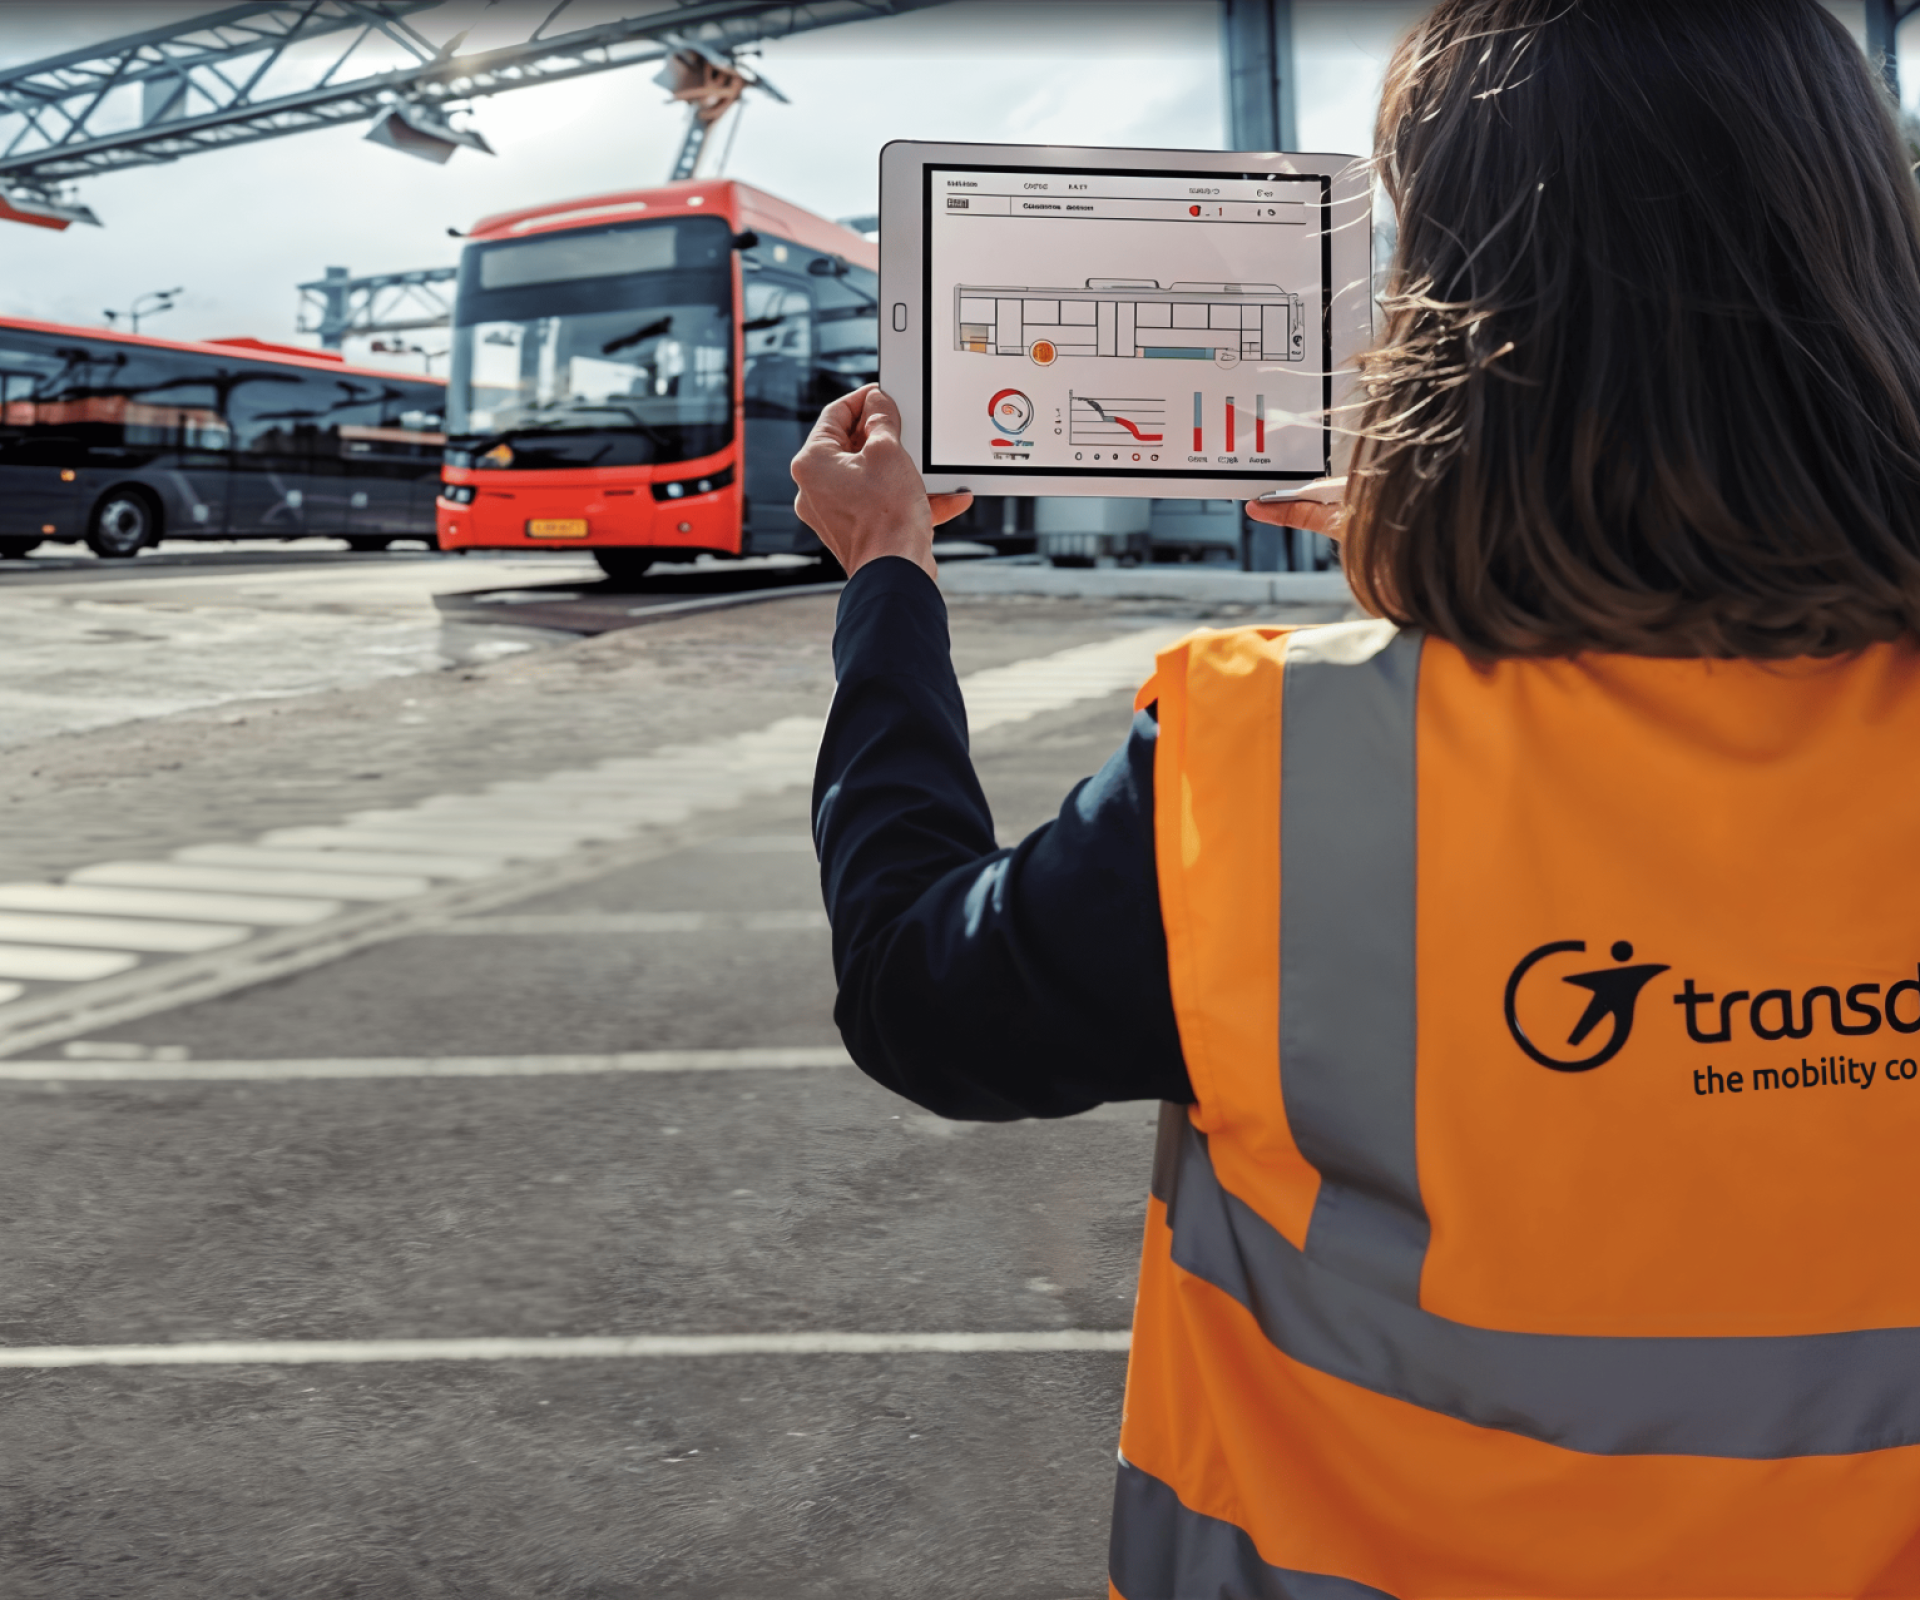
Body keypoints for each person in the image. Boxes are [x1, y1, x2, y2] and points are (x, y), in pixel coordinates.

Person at [793, 0, 1920, 1592]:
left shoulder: (1280, 764)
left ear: (1448, 295)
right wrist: (1446, 544)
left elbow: (926, 998)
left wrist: (889, 574)